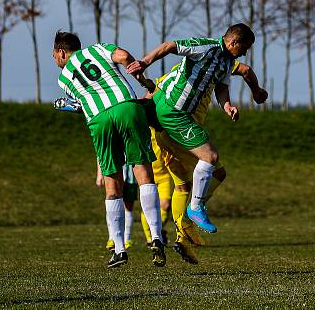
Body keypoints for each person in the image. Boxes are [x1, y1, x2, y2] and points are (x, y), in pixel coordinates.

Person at [52, 30, 166, 268]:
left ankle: (119, 249)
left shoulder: (63, 79)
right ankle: (156, 237)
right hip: (127, 107)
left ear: (61, 52)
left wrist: (69, 107)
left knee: (112, 184)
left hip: (99, 119)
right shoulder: (98, 48)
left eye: (54, 56)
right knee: (143, 173)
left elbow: (84, 104)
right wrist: (143, 81)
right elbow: (124, 56)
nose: (55, 60)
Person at [127, 23, 255, 234]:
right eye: (245, 47)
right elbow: (170, 46)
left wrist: (228, 106)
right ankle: (195, 208)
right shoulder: (205, 46)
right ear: (233, 42)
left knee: (193, 179)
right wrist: (145, 61)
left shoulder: (227, 61)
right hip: (173, 112)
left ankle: (178, 229)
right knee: (211, 157)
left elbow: (221, 89)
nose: (245, 52)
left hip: (173, 112)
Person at [151, 60, 267, 265]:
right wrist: (257, 91)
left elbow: (149, 96)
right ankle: (186, 223)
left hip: (160, 135)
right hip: (181, 133)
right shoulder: (212, 62)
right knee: (216, 172)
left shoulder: (176, 74)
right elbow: (245, 69)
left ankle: (179, 239)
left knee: (182, 186)